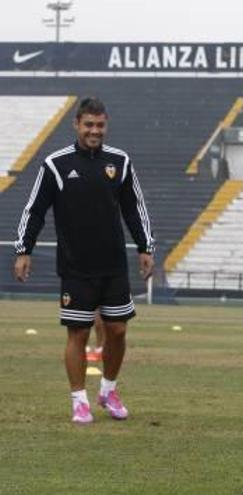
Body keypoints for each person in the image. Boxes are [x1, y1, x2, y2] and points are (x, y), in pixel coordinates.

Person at [13, 97, 155, 424]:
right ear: (76, 125)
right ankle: (79, 400)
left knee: (117, 330)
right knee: (78, 333)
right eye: (88, 125)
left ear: (106, 126)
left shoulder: (119, 161)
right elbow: (34, 210)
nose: (94, 131)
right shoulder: (55, 164)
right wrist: (24, 250)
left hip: (114, 264)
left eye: (100, 125)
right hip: (76, 266)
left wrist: (145, 246)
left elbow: (134, 208)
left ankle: (108, 390)